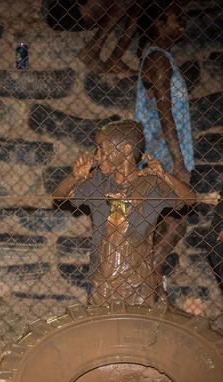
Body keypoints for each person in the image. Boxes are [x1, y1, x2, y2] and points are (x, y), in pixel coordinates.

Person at [53, 120, 195, 306]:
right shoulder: (97, 181)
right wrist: (75, 177)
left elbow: (190, 199)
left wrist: (164, 175)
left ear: (127, 149)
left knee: (137, 332)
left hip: (139, 281)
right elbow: (58, 197)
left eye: (102, 149)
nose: (97, 156)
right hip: (100, 277)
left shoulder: (151, 184)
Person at [135, 0, 194, 303]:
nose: (181, 25)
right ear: (157, 23)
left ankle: (151, 287)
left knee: (164, 225)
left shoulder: (162, 57)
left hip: (162, 153)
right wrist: (178, 161)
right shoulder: (157, 58)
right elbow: (164, 114)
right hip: (161, 156)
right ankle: (144, 280)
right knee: (174, 223)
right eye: (174, 18)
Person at [45, 0, 144, 74]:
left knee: (133, 3)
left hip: (79, 12)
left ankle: (113, 55)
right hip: (76, 11)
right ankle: (99, 52)